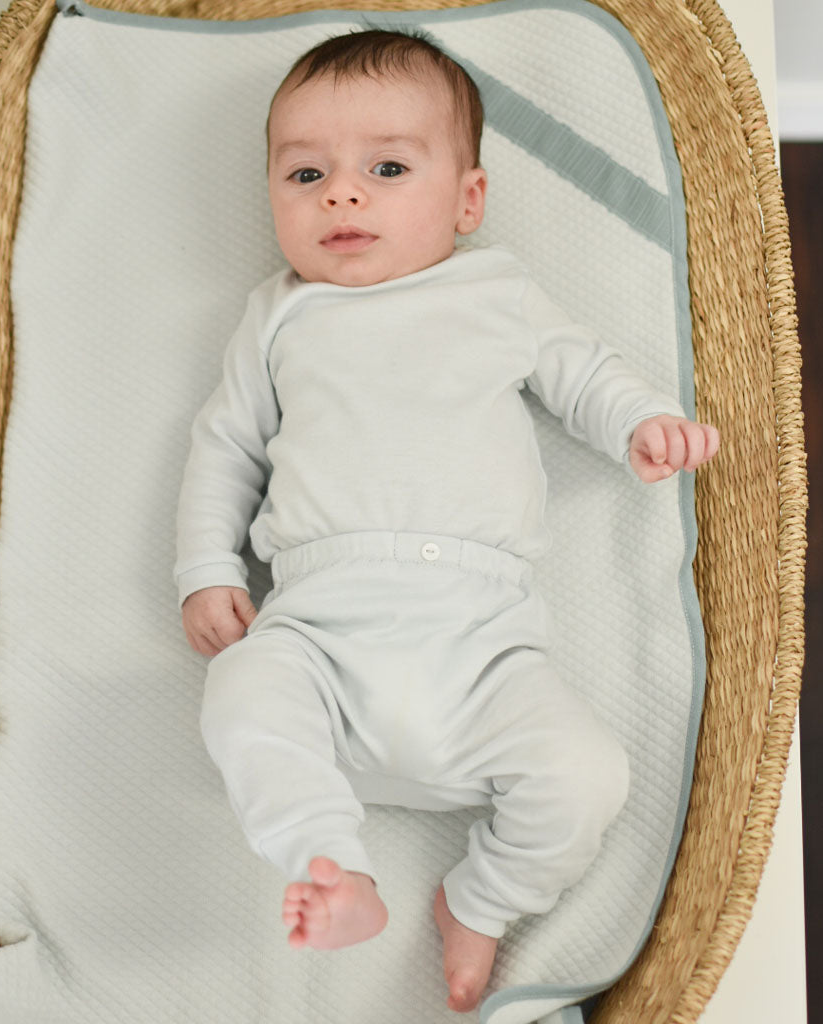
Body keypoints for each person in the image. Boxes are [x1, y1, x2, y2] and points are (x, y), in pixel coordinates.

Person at [175, 29, 719, 1013]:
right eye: (305, 172)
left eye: (386, 167)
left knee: (587, 773)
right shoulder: (278, 314)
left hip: (480, 650)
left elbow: (580, 369)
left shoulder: (496, 292)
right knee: (240, 696)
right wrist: (205, 568)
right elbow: (226, 446)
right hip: (317, 635)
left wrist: (641, 421)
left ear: (467, 199)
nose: (342, 193)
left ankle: (480, 899)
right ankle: (331, 864)